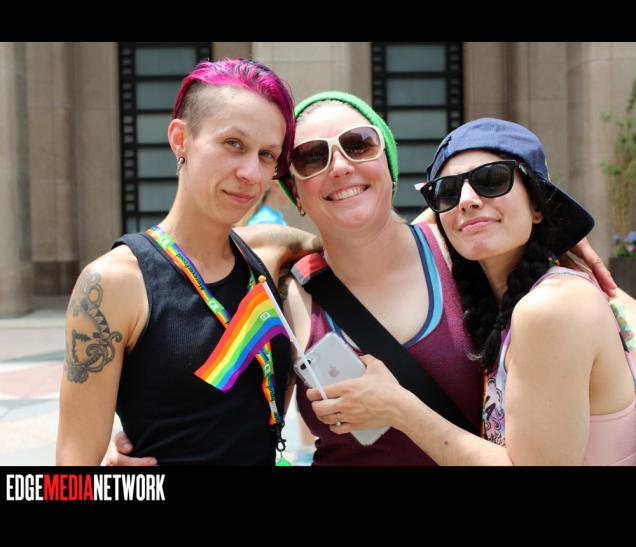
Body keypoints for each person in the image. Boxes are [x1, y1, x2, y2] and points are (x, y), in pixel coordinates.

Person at [108, 94, 616, 466]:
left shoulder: (463, 247)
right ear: (295, 193)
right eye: (312, 156)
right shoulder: (284, 292)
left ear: (390, 168)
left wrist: (556, 240)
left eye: (358, 145)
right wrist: (147, 453)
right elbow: (232, 427)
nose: (340, 167)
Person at [308, 118, 636, 465]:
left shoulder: (552, 306)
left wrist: (398, 406)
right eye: (448, 192)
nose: (466, 201)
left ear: (538, 206)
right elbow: (386, 245)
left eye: (492, 180)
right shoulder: (508, 305)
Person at [56, 58, 316, 466]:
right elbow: (68, 477)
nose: (251, 172)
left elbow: (369, 242)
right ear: (181, 139)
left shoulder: (268, 252)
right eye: (233, 143)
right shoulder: (114, 282)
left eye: (267, 155)